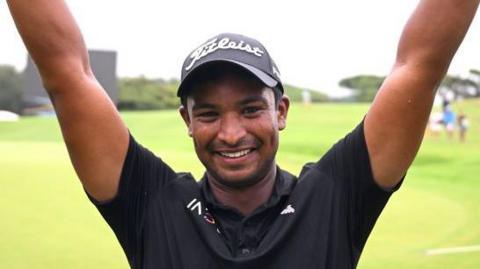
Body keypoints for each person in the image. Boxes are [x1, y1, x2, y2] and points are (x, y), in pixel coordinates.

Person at [7, 0, 479, 268]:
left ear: (282, 111)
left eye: (251, 108)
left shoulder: (334, 197)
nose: (231, 133)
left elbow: (419, 66)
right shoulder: (150, 204)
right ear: (187, 122)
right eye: (208, 113)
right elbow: (68, 75)